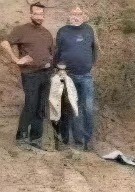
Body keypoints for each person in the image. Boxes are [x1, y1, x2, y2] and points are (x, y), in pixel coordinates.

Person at [3, 2, 52, 150]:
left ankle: (36, 139)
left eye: (41, 14)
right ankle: (21, 137)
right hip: (30, 75)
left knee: (41, 106)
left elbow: (51, 52)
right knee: (31, 104)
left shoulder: (47, 32)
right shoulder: (22, 30)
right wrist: (16, 59)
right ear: (31, 14)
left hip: (46, 74)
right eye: (36, 14)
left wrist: (50, 62)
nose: (39, 17)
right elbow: (5, 43)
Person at [54, 5, 94, 149]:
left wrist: (88, 65)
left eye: (79, 13)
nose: (76, 16)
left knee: (87, 108)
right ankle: (64, 140)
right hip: (67, 76)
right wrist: (59, 67)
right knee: (67, 108)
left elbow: (94, 50)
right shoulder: (62, 31)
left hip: (86, 76)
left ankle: (85, 142)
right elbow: (57, 52)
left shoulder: (89, 30)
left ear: (84, 15)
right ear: (68, 15)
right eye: (73, 14)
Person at [45, 56, 75, 147]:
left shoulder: (69, 81)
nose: (62, 72)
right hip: (55, 102)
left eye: (64, 70)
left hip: (65, 103)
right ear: (55, 70)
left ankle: (65, 141)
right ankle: (55, 141)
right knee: (54, 119)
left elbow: (73, 94)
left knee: (66, 119)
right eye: (59, 69)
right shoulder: (52, 80)